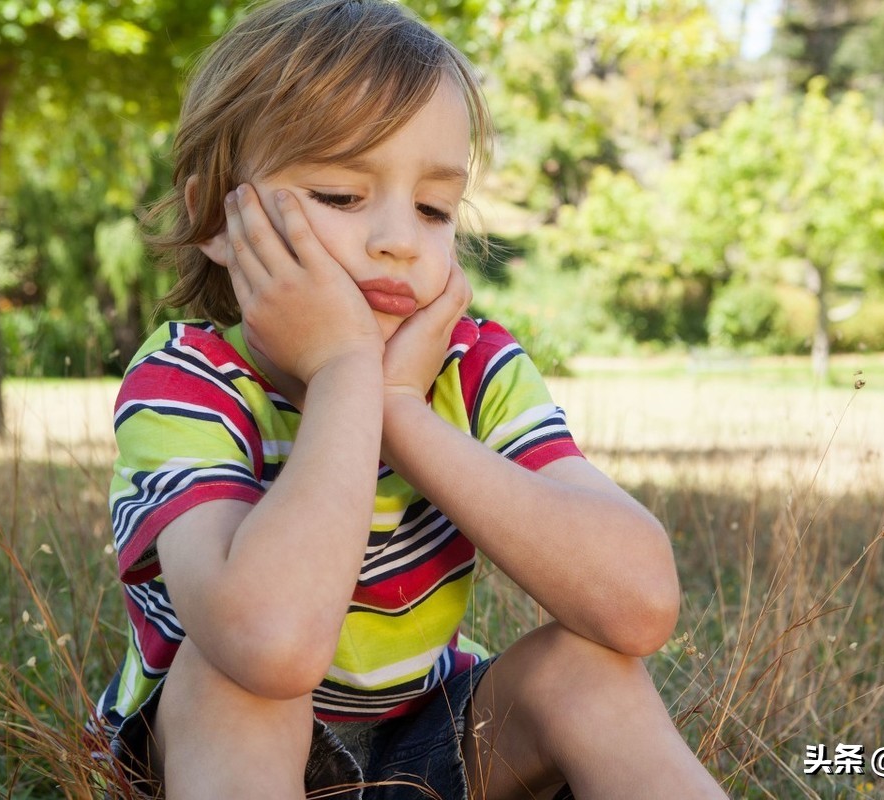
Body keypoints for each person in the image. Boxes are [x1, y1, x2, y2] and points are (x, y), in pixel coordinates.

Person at [89, 1, 728, 798]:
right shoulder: (187, 383)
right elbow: (270, 644)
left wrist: (401, 407)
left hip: (426, 745)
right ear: (216, 217)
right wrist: (346, 378)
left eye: (433, 208)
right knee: (237, 687)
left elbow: (638, 607)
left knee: (590, 669)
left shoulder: (473, 368)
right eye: (339, 193)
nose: (399, 237)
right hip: (219, 754)